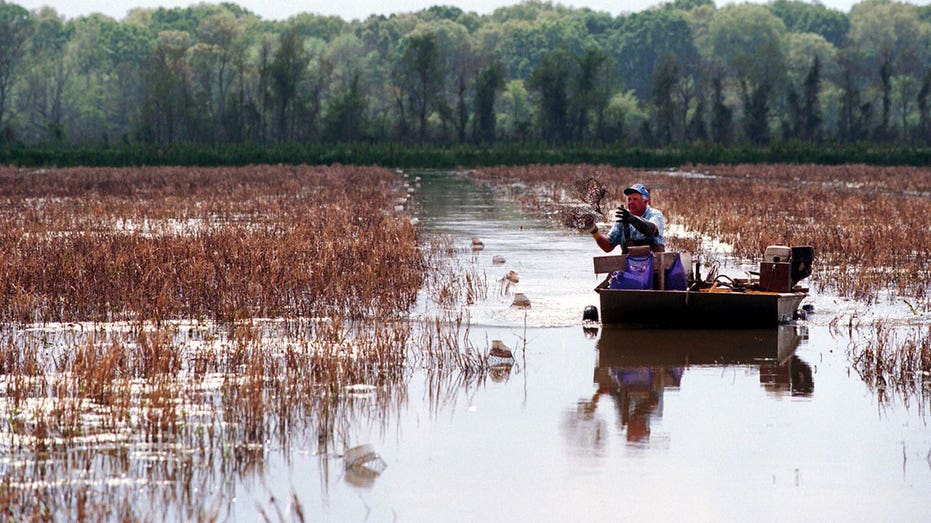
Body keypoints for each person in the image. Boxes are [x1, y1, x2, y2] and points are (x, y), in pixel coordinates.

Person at [581, 183, 665, 253]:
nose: (631, 202)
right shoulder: (623, 218)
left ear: (646, 202)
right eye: (629, 199)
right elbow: (608, 247)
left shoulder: (655, 215)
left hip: (654, 267)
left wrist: (632, 219)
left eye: (635, 199)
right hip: (629, 270)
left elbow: (650, 229)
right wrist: (594, 232)